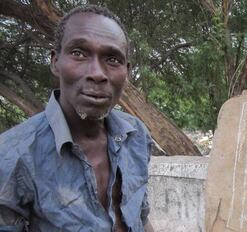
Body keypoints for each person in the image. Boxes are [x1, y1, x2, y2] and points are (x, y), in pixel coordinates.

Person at [0, 5, 154, 232]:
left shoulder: (136, 135)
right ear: (55, 62)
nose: (98, 73)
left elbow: (140, 218)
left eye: (112, 59)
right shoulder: (12, 157)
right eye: (79, 53)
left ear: (126, 72)